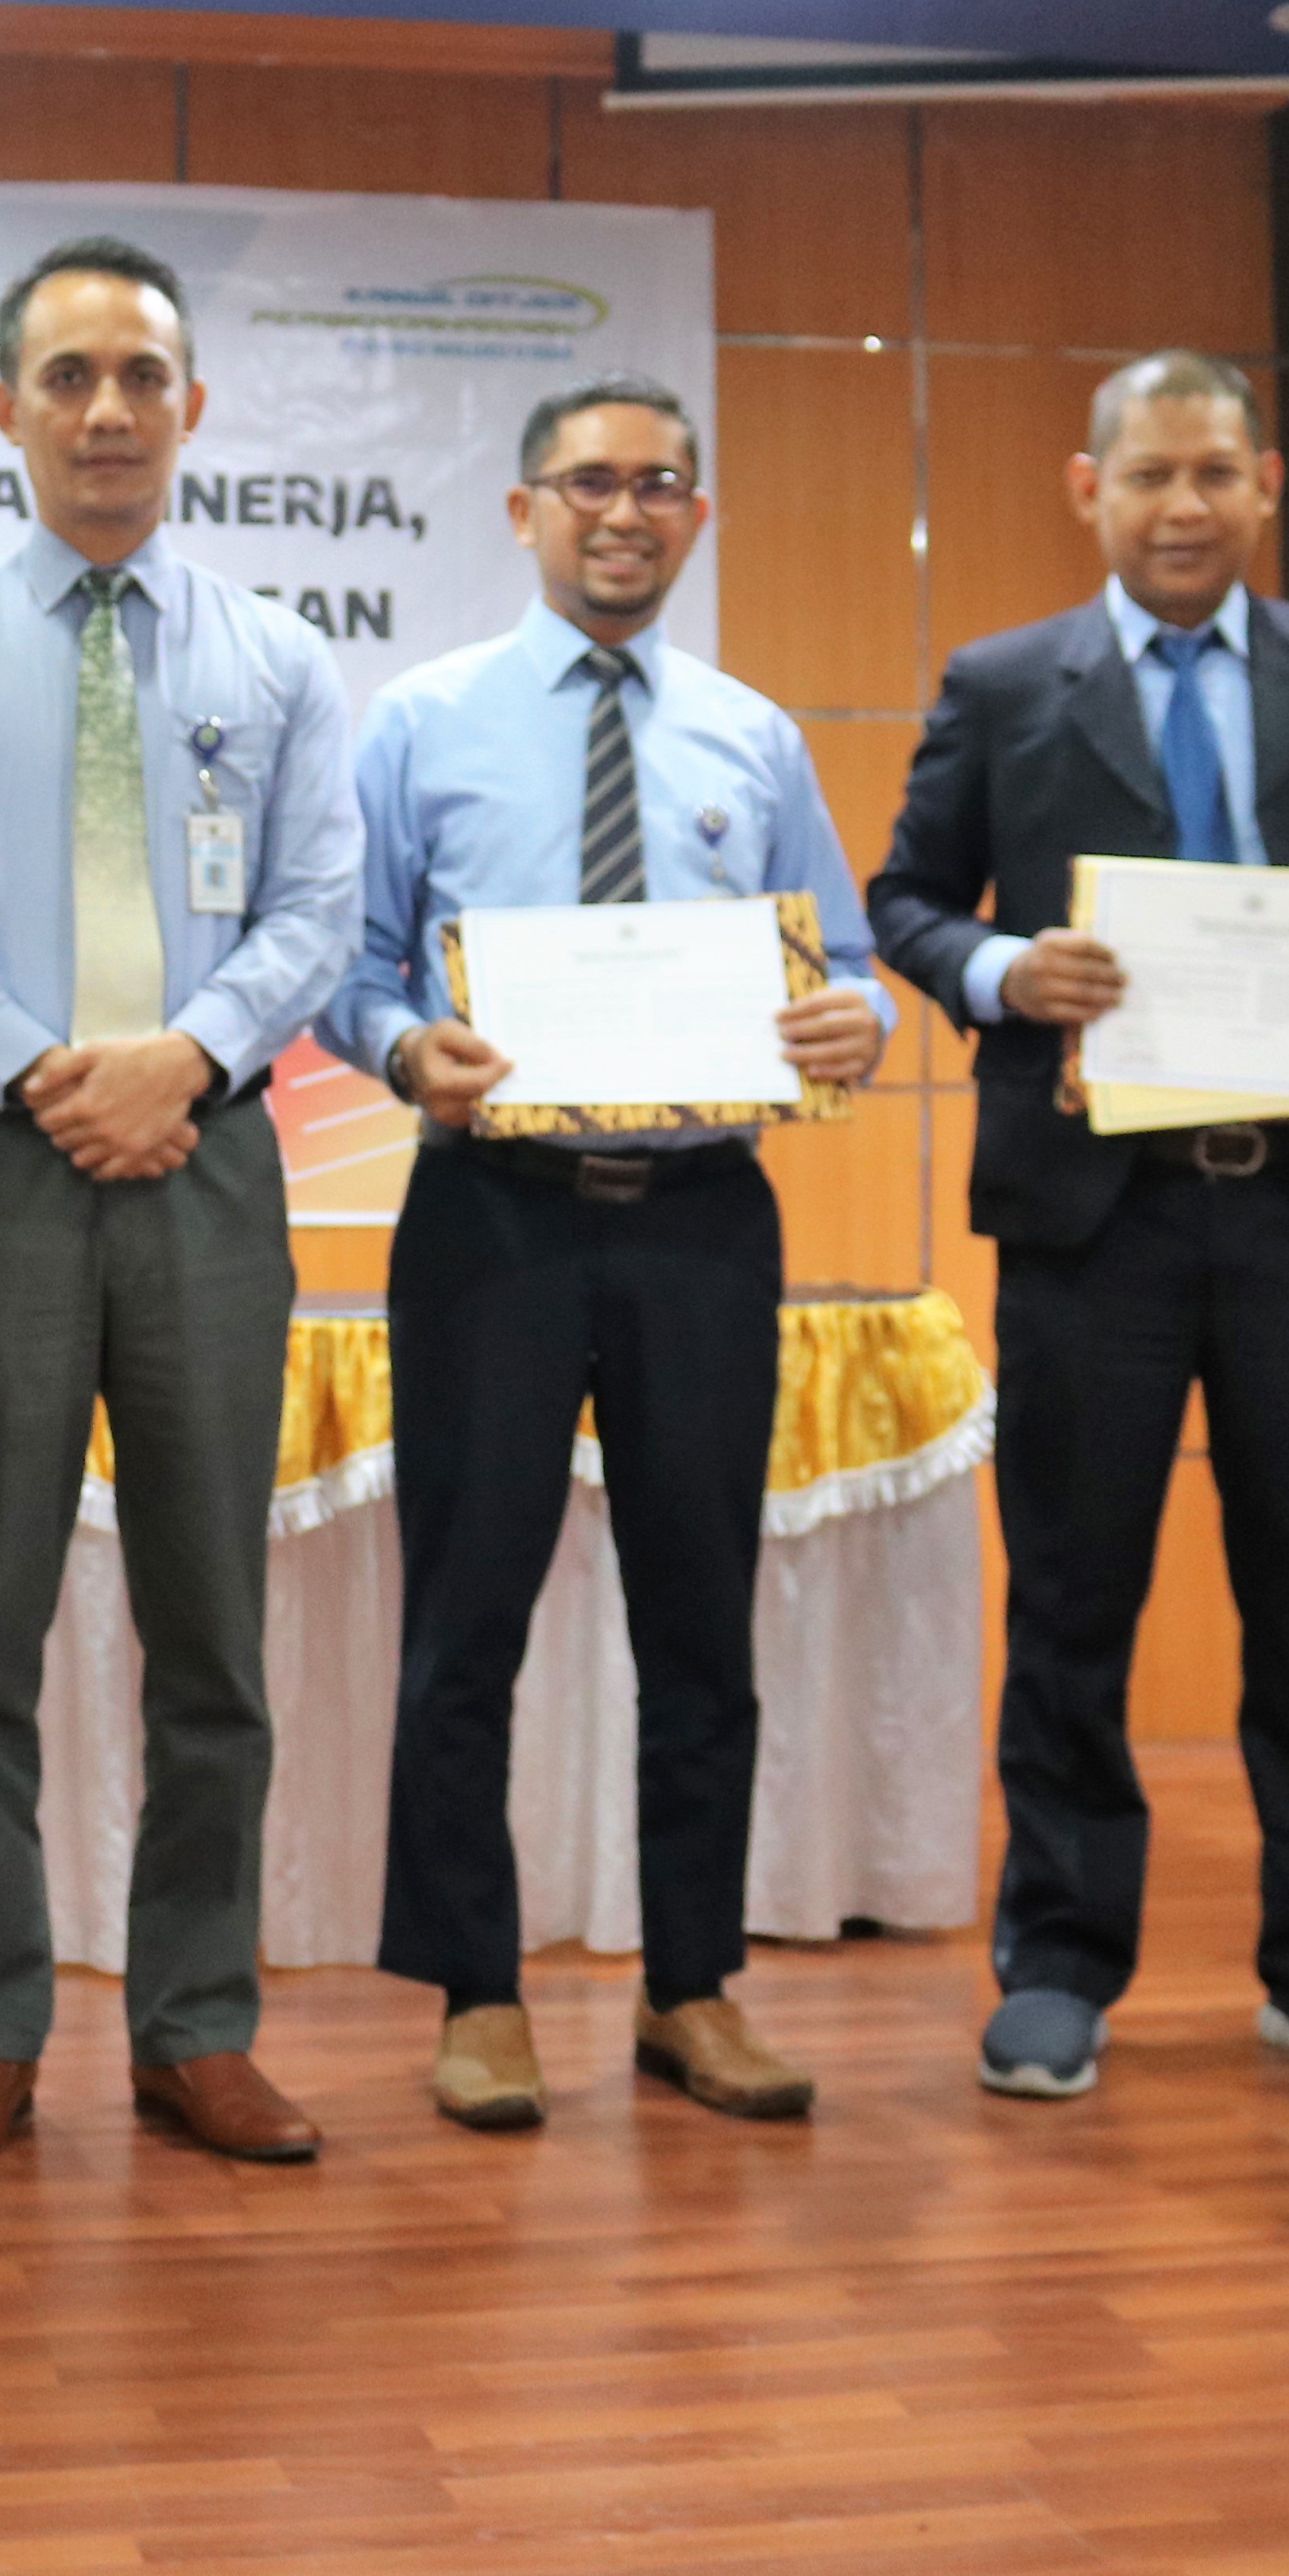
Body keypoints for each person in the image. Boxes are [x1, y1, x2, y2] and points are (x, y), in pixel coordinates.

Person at [864, 348, 1289, 2104]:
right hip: (1093, 1221)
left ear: (1266, 484)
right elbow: (904, 900)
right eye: (1147, 475)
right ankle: (1061, 1964)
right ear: (1089, 490)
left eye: (1214, 472)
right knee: (1074, 1597)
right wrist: (1003, 970)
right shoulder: (1004, 684)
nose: (1182, 506)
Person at [0, 233, 362, 2176]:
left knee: (210, 1632)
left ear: (191, 407)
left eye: (140, 375)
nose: (107, 410)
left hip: (206, 1162)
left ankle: (196, 2029)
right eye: (67, 377)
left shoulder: (278, 659)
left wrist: (183, 1060)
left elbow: (316, 909)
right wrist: (53, 1072)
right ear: (5, 411)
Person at [317, 373, 892, 2133]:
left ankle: (691, 1987)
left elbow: (847, 957)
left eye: (656, 485)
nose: (622, 512)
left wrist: (857, 1021)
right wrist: (404, 1049)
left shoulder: (752, 736)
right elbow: (348, 967)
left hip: (704, 1222)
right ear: (523, 511)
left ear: (694, 516)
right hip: (490, 1215)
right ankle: (476, 1996)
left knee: (700, 1619)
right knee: (464, 1619)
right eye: (587, 484)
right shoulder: (418, 722)